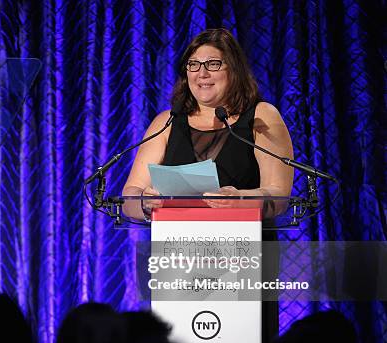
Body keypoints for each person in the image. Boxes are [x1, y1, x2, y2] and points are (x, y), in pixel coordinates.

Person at [122, 28, 294, 220]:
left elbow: (279, 195)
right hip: (178, 246)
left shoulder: (261, 117)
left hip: (245, 245)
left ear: (234, 70)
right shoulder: (166, 122)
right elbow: (130, 195)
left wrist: (242, 200)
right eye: (193, 64)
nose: (202, 73)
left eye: (213, 64)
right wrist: (144, 202)